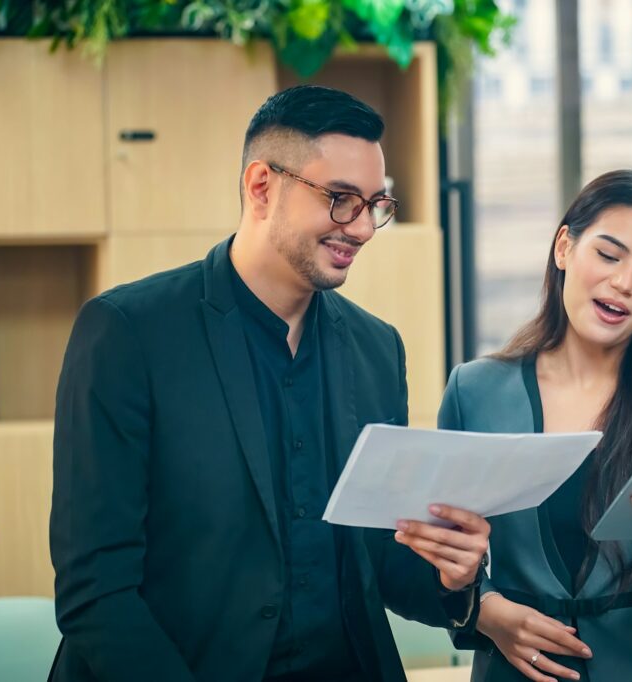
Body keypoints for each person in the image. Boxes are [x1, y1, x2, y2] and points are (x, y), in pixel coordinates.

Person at [50, 85, 490, 682]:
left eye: (374, 204)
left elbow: (381, 564)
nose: (360, 228)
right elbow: (96, 593)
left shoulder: (376, 348)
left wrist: (451, 574)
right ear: (262, 186)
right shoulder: (128, 332)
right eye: (340, 199)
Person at [440, 170, 632, 682]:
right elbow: (439, 552)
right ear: (564, 248)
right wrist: (484, 611)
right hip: (517, 670)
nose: (624, 283)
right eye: (608, 255)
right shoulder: (476, 391)